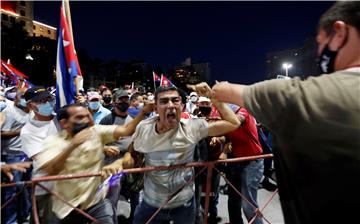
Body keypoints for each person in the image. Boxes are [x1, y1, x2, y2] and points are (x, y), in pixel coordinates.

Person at [211, 2, 360, 223]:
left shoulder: (298, 95)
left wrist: (214, 92)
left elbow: (223, 90)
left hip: (255, 163)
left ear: (339, 33)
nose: (319, 53)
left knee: (248, 203)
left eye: (320, 43)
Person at [106, 84, 240, 224]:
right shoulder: (144, 128)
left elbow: (233, 123)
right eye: (164, 101)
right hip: (151, 202)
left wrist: (214, 98)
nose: (170, 105)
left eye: (175, 100)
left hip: (184, 203)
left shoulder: (191, 127)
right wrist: (121, 162)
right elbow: (133, 153)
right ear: (156, 108)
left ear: (181, 106)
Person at [35, 102, 154, 223]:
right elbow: (51, 170)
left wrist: (143, 112)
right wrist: (72, 145)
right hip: (65, 206)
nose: (86, 120)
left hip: (96, 201)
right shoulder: (53, 142)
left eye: (87, 115)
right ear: (64, 123)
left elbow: (126, 130)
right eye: (79, 117)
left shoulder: (96, 132)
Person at [20, 86, 60, 224]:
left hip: (70, 182)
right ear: (31, 105)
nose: (47, 103)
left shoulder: (62, 120)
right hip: (46, 185)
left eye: (48, 99)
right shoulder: (28, 131)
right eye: (42, 101)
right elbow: (44, 160)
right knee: (45, 219)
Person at [100, 89, 139, 223]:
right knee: (112, 195)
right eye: (120, 99)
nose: (123, 102)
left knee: (136, 193)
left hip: (131, 161)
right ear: (115, 101)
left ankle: (135, 219)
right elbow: (96, 142)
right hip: (112, 163)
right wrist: (105, 148)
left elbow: (137, 139)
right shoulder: (106, 121)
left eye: (126, 99)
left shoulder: (133, 119)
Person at [225, 107, 264, 224]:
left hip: (252, 162)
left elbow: (237, 120)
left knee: (248, 204)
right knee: (233, 199)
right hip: (237, 161)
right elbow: (226, 134)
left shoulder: (243, 111)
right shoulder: (223, 113)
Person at [1, 89, 31, 224]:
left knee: (26, 188)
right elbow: (2, 133)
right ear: (16, 99)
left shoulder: (31, 112)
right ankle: (10, 220)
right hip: (12, 156)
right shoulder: (9, 112)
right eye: (22, 97)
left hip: (27, 155)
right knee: (12, 190)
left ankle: (24, 216)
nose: (25, 99)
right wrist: (21, 131)